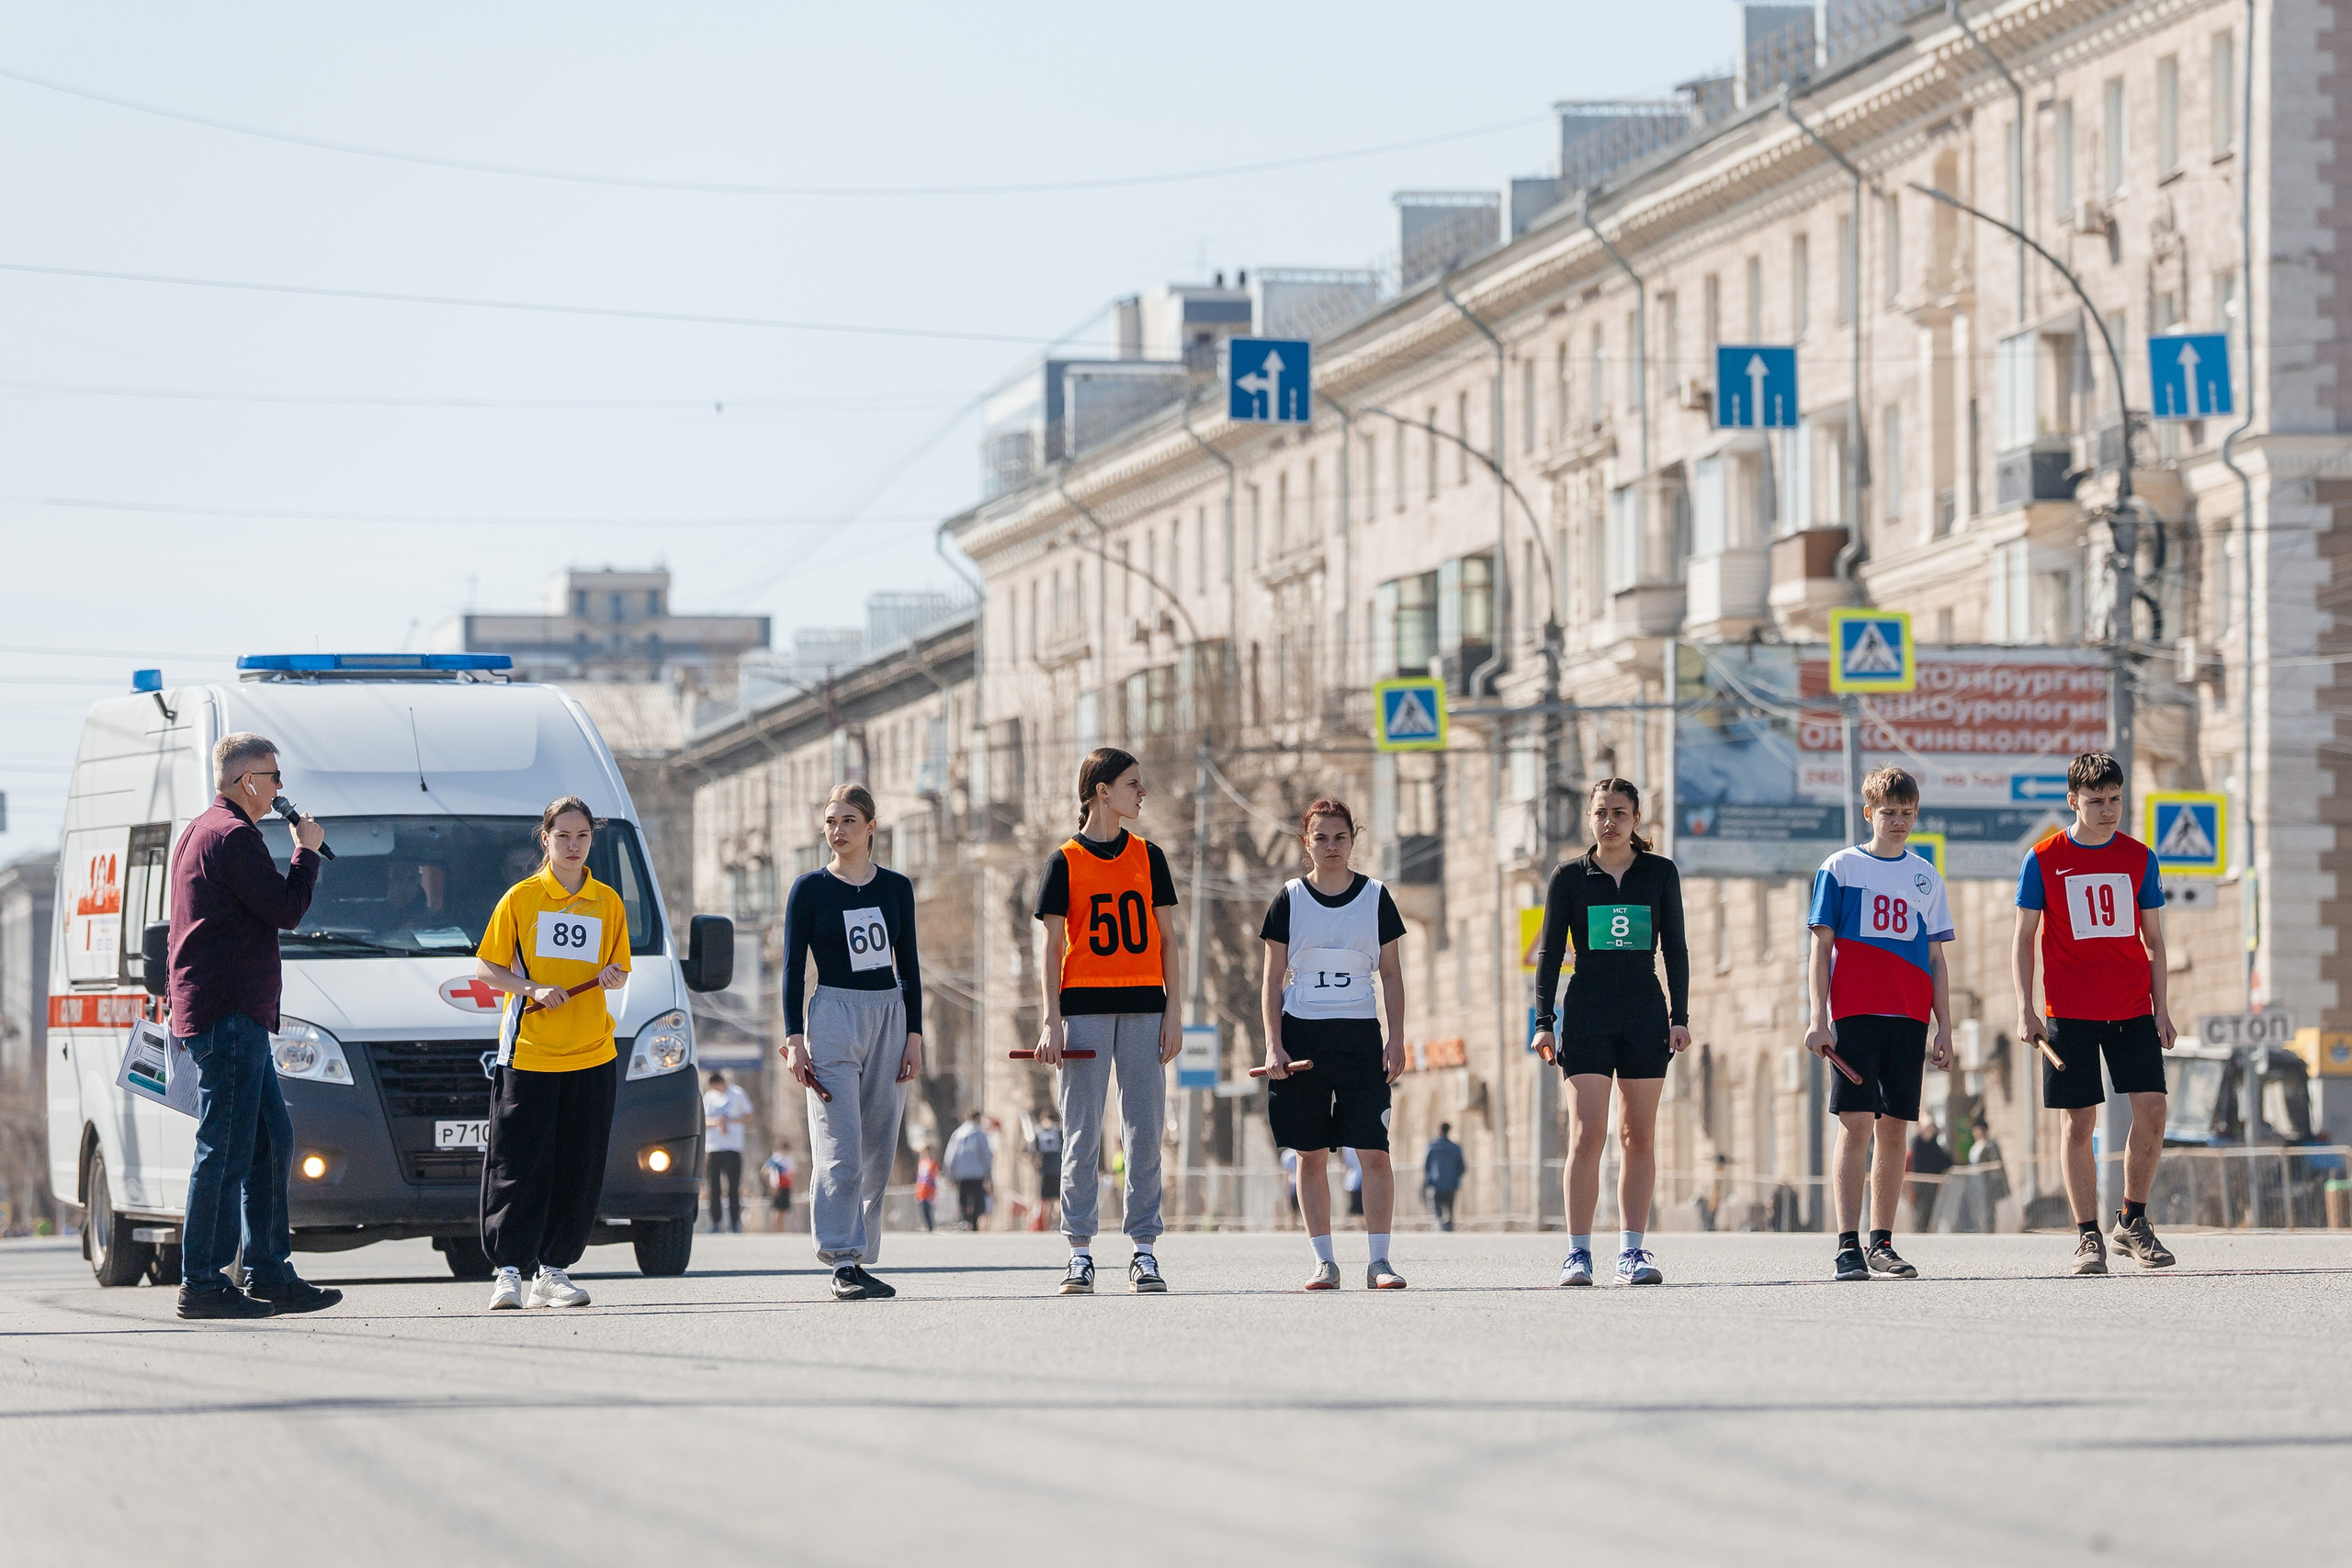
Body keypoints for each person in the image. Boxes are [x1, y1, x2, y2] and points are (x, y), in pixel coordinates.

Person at [164, 732, 343, 1319]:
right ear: (247, 782)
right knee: (227, 1146)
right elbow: (285, 910)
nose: (280, 787)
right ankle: (204, 1281)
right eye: (273, 776)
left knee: (270, 1139)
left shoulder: (201, 829)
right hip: (228, 1013)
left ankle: (268, 1269)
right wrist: (306, 851)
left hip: (230, 1012)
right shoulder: (233, 836)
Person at [2011, 750, 2179, 1275]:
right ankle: (2088, 1236)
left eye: (2115, 800)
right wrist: (2026, 1007)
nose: (2108, 810)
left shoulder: (2139, 857)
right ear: (2072, 802)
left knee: (2152, 1110)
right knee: (2078, 1122)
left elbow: (2154, 941)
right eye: (2095, 801)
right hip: (2069, 1013)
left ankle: (2132, 1221)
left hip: (2132, 1009)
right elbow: (2023, 939)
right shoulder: (2042, 859)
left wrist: (2163, 1008)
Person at [1034, 747, 1182, 1295]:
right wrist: (1049, 1019)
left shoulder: (1150, 856)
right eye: (1132, 783)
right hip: (1083, 1009)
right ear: (1102, 791)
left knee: (1144, 1130)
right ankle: (1079, 1251)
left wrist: (1175, 1010)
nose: (1141, 792)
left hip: (1146, 1007)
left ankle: (1144, 1249)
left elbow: (1168, 939)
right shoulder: (1064, 861)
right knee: (1081, 1133)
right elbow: (1050, 948)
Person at [1531, 778, 1691, 1288]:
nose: (1609, 821)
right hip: (1587, 1011)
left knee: (1636, 1135)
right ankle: (1577, 1253)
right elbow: (1550, 954)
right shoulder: (1569, 877)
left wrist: (1680, 1016)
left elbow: (1678, 950)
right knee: (1587, 1135)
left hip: (1645, 1010)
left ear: (1636, 819)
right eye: (1601, 812)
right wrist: (1543, 1023)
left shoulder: (1660, 874)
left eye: (1619, 812)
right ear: (1590, 818)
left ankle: (1632, 1250)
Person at [474, 795, 632, 1311]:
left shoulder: (607, 901)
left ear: (592, 840)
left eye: (582, 836)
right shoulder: (521, 898)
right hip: (530, 1053)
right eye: (562, 836)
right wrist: (532, 988)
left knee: (579, 1164)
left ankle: (555, 1269)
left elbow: (620, 968)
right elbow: (487, 970)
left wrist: (613, 975)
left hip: (592, 1053)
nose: (572, 845)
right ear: (545, 839)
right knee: (518, 1163)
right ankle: (508, 1271)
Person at [1804, 767, 1957, 1283]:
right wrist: (1817, 1018)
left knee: (1895, 1131)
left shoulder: (1925, 875)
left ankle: (1882, 1242)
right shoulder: (1840, 868)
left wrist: (1946, 1028)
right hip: (1854, 1016)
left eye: (1907, 813)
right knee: (1856, 1125)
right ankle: (1847, 1243)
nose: (1898, 821)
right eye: (1888, 812)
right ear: (1868, 812)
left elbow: (1936, 958)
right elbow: (1820, 947)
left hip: (1909, 1017)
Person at [781, 784, 922, 1302]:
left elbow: (908, 967)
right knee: (839, 1144)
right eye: (830, 821)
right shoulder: (810, 889)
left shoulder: (896, 889)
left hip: (889, 1013)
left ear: (870, 828)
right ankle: (840, 1257)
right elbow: (794, 969)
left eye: (848, 821)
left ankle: (860, 1258)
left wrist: (914, 1034)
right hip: (834, 1014)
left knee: (879, 1146)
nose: (837, 831)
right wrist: (795, 1037)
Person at [1261, 798, 1409, 1290]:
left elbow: (1390, 973)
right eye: (1320, 838)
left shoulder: (1376, 897)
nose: (1330, 846)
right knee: (1311, 1153)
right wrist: (1273, 1045)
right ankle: (1324, 1261)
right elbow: (1271, 978)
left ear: (1353, 841)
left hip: (1360, 1035)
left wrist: (1396, 1040)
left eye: (1339, 837)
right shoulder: (1289, 899)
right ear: (1306, 844)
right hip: (1303, 1032)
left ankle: (1380, 1261)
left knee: (1373, 1150)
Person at [701, 1070, 753, 1233]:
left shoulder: (737, 1093)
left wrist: (728, 1120)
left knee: (733, 1186)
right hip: (713, 1147)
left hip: (733, 1146)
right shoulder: (709, 1097)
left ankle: (735, 1222)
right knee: (714, 1186)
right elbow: (703, 1120)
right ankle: (716, 1222)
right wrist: (716, 1122)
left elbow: (749, 1117)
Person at [942, 1110, 993, 1229]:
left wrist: (949, 1173)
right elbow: (986, 1156)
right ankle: (974, 1222)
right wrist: (988, 1174)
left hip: (961, 1173)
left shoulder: (958, 1134)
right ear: (978, 1119)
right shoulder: (980, 1135)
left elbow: (950, 1155)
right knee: (977, 1198)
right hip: (977, 1173)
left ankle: (966, 1219)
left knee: (963, 1196)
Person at [1906, 1117, 1955, 1232]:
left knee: (1932, 1207)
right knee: (1922, 1208)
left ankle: (1928, 1229)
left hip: (1934, 1183)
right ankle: (1920, 1230)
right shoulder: (1917, 1143)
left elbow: (1945, 1160)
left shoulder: (1935, 1144)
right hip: (1921, 1183)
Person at [1422, 1122, 1465, 1231]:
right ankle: (1449, 1224)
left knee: (1437, 1205)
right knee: (1450, 1206)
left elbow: (1426, 1165)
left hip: (1436, 1183)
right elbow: (1462, 1166)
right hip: (1451, 1183)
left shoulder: (1432, 1146)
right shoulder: (1455, 1147)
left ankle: (1441, 1223)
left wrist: (1429, 1178)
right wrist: (1456, 1176)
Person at [1033, 1111, 1065, 1231]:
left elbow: (1034, 1151)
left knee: (1047, 1202)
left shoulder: (1039, 1133)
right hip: (1057, 1169)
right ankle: (1058, 1224)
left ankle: (1049, 1225)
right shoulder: (1059, 1132)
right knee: (1058, 1200)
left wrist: (1036, 1166)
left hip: (1045, 1170)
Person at [762, 1146, 794, 1233]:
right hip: (777, 1187)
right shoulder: (776, 1159)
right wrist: (771, 1183)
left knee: (783, 1210)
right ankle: (776, 1230)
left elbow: (792, 1174)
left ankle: (781, 1230)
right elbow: (765, 1170)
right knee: (776, 1210)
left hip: (786, 1186)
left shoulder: (790, 1159)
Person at [913, 1150, 939, 1232]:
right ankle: (927, 1226)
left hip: (928, 1191)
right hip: (921, 1191)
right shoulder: (921, 1163)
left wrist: (932, 1191)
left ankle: (930, 1226)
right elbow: (919, 1179)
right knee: (923, 1211)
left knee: (928, 1210)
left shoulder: (932, 1164)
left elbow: (932, 1178)